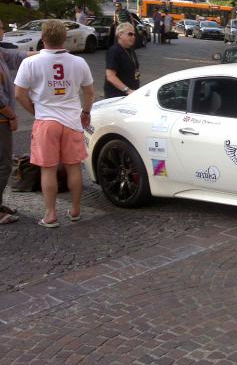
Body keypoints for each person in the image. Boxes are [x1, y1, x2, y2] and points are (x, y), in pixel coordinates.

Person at [14, 20, 95, 229]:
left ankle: (50, 215)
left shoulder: (31, 63)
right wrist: (86, 112)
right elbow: (89, 91)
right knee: (74, 168)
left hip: (46, 121)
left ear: (43, 38)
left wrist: (35, 110)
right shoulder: (79, 62)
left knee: (47, 170)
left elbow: (19, 94)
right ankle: (75, 210)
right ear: (64, 38)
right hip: (71, 120)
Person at [0, 20, 36, 225]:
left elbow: (17, 57)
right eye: (1, 27)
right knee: (3, 165)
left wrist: (48, 52)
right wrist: (11, 117)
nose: (4, 31)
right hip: (1, 118)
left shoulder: (1, 53)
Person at [104, 23, 140, 98]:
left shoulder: (130, 50)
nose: (133, 37)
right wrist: (128, 90)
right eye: (130, 34)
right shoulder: (114, 51)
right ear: (120, 35)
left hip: (131, 94)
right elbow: (110, 76)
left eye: (134, 34)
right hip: (117, 96)